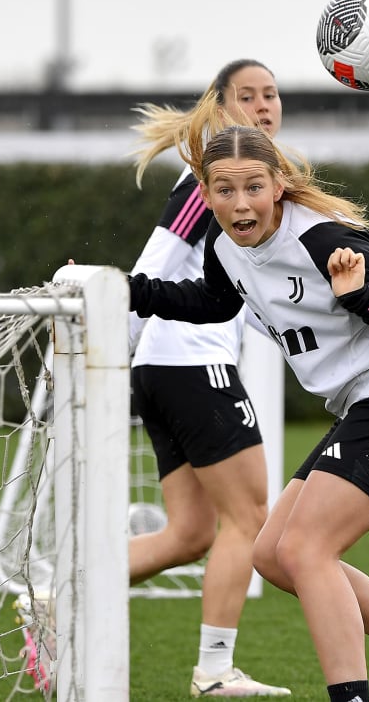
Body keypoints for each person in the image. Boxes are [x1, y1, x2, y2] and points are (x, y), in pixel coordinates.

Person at [129, 102, 369, 701]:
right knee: (271, 554)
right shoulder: (223, 243)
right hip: (365, 404)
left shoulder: (321, 238)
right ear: (205, 195)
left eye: (254, 188)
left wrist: (361, 295)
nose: (241, 204)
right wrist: (125, 290)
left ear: (279, 185)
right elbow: (213, 303)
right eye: (225, 190)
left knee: (307, 548)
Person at [125, 59, 291, 698]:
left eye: (271, 94)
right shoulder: (207, 185)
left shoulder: (251, 187)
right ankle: (215, 671)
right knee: (249, 518)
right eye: (247, 96)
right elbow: (156, 264)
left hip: (167, 369)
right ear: (220, 108)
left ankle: (63, 593)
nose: (263, 105)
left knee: (191, 533)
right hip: (190, 365)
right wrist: (116, 337)